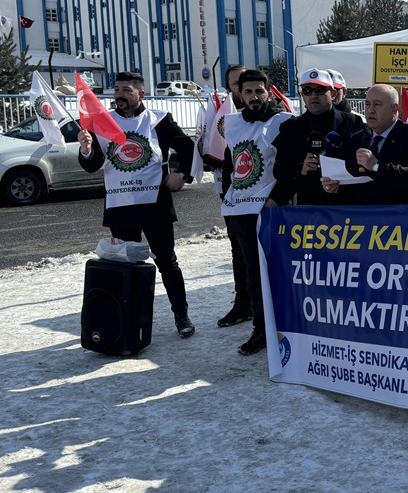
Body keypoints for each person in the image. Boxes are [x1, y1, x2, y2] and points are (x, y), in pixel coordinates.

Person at [77, 71, 197, 338]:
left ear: (140, 94)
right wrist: (86, 149)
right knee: (126, 266)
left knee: (167, 261)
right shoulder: (102, 122)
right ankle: (129, 322)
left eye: (126, 90)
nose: (119, 95)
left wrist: (180, 173)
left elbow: (188, 149)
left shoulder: (158, 119)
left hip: (155, 205)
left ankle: (181, 315)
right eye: (117, 89)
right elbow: (92, 164)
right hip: (120, 207)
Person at [220, 70, 298, 356]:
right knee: (253, 273)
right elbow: (231, 163)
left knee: (280, 272)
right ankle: (261, 330)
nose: (254, 96)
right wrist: (227, 197)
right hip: (241, 209)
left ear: (269, 92)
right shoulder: (231, 124)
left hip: (273, 210)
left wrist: (278, 198)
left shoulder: (283, 122)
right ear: (240, 94)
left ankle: (288, 326)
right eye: (248, 91)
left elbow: (293, 166)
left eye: (259, 91)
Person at [321, 83, 408, 204]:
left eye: (377, 104)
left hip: (397, 213)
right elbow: (354, 181)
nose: (370, 110)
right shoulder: (357, 138)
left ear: (394, 108)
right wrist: (336, 186)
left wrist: (376, 166)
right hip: (363, 214)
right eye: (367, 104)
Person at [208, 65, 255, 329]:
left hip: (263, 200)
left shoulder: (270, 115)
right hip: (234, 197)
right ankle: (243, 303)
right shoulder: (224, 115)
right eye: (236, 84)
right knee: (238, 251)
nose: (241, 89)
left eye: (245, 83)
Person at [289, 68, 367, 204]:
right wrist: (302, 169)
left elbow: (361, 164)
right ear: (302, 95)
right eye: (307, 91)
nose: (313, 95)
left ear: (333, 94)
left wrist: (339, 178)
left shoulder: (353, 122)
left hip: (346, 204)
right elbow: (280, 170)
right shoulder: (291, 127)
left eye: (320, 90)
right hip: (308, 207)